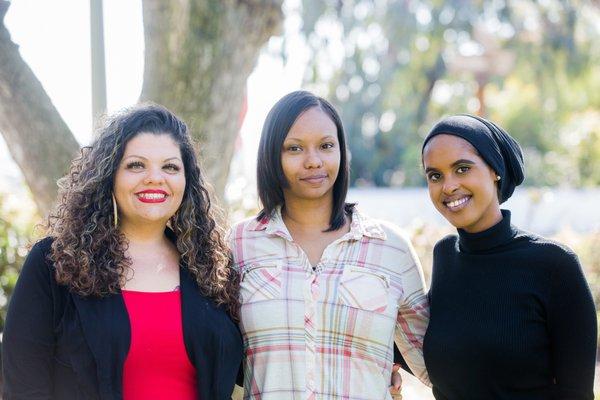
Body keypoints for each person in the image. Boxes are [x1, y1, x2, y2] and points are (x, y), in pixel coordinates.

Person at [2, 104, 243, 400]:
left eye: (170, 167)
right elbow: (24, 386)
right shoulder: (55, 263)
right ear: (110, 176)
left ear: (187, 180)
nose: (155, 178)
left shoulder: (211, 270)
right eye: (136, 165)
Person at [229, 91, 430, 399]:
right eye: (294, 148)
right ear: (272, 155)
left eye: (326, 146)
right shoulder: (238, 246)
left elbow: (436, 366)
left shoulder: (391, 248)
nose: (314, 161)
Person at [421, 114, 597, 399]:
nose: (448, 186)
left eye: (462, 169)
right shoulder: (445, 256)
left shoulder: (553, 265)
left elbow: (576, 393)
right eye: (435, 175)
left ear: (495, 170)